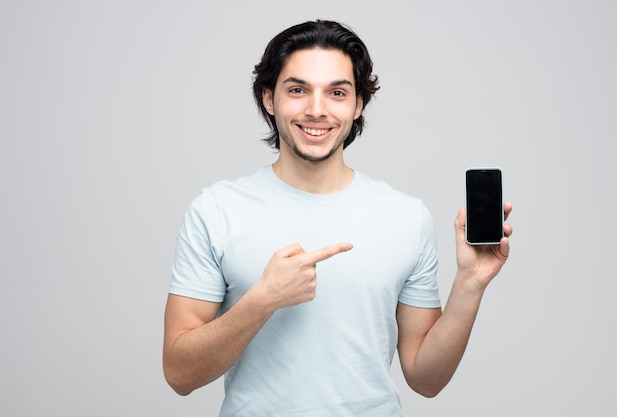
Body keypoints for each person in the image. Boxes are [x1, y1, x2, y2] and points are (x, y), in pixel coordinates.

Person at [162, 19, 513, 417]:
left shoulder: (405, 216)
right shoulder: (216, 210)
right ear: (269, 99)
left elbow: (425, 379)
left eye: (337, 93)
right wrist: (262, 300)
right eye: (297, 90)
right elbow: (179, 373)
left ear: (358, 104)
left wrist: (470, 284)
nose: (316, 110)